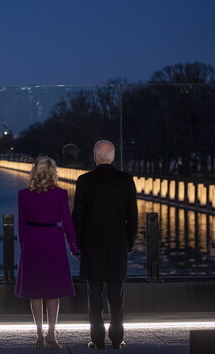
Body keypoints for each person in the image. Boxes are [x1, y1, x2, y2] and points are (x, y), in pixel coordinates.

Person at [72, 140, 138, 350]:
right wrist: (129, 242)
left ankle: (97, 339)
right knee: (116, 297)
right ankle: (117, 339)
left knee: (94, 298)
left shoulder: (84, 181)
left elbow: (78, 218)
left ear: (94, 157)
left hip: (92, 247)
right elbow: (132, 216)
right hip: (117, 245)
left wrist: (77, 244)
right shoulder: (126, 180)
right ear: (113, 156)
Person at [15, 156, 80, 350]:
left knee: (35, 292)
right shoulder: (61, 194)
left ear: (34, 171)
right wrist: (74, 246)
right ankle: (52, 332)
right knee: (53, 291)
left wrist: (23, 245)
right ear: (53, 173)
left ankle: (39, 333)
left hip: (33, 241)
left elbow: (21, 224)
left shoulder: (23, 194)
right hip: (53, 240)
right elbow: (68, 222)